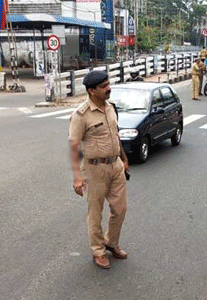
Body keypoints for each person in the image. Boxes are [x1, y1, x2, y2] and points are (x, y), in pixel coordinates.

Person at [68, 70, 130, 269]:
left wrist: (124, 158)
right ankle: (98, 250)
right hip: (95, 169)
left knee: (120, 209)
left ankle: (111, 242)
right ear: (91, 90)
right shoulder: (81, 115)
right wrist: (77, 177)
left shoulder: (111, 108)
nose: (108, 88)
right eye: (103, 86)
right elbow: (74, 146)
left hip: (116, 165)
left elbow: (116, 135)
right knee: (95, 213)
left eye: (108, 84)